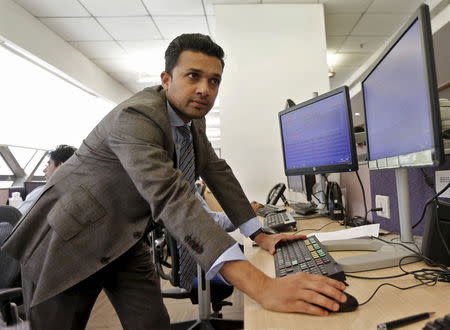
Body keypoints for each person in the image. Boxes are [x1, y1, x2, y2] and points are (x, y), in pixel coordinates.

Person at [1, 33, 347, 330]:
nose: (204, 89)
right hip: (68, 239)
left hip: (126, 237)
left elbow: (217, 171)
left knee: (152, 323)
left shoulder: (190, 120)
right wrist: (260, 286)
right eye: (193, 76)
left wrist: (258, 233)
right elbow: (170, 196)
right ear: (166, 79)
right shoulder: (135, 117)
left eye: (214, 81)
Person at [18, 145, 76, 215]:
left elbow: (17, 217)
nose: (44, 170)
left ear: (61, 166)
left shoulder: (43, 192)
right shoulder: (77, 193)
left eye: (49, 164)